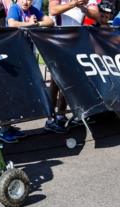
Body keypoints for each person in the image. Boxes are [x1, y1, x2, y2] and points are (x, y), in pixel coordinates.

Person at [45, 0, 99, 133]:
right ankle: (50, 119)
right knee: (56, 81)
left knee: (68, 80)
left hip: (75, 41)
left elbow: (96, 15)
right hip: (56, 39)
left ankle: (61, 115)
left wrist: (84, 9)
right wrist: (74, 3)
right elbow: (52, 10)